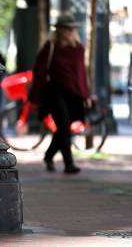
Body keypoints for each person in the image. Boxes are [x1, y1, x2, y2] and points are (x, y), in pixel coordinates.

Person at [28, 12, 90, 174]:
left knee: (64, 128)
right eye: (67, 28)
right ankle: (69, 164)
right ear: (59, 30)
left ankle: (49, 156)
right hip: (54, 93)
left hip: (73, 94)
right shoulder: (50, 47)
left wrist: (86, 95)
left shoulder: (78, 49)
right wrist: (36, 96)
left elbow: (82, 74)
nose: (70, 31)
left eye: (72, 29)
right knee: (63, 126)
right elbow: (39, 72)